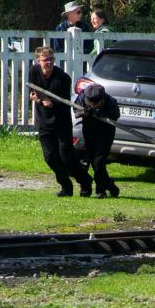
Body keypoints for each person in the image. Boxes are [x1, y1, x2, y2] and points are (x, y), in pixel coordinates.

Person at [29, 46, 92, 197]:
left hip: (61, 122)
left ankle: (85, 181)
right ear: (38, 61)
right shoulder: (34, 71)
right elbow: (33, 90)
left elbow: (61, 101)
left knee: (67, 157)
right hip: (44, 122)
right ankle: (65, 185)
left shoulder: (63, 78)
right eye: (46, 60)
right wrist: (39, 99)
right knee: (50, 157)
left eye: (51, 59)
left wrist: (47, 101)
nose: (49, 62)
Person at [75, 82, 121, 198]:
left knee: (98, 162)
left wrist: (100, 113)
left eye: (96, 103)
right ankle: (107, 186)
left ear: (102, 99)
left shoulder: (111, 102)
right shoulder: (82, 97)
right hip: (89, 131)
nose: (93, 105)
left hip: (105, 133)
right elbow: (76, 111)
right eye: (90, 102)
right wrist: (84, 112)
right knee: (86, 160)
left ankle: (101, 190)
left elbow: (116, 116)